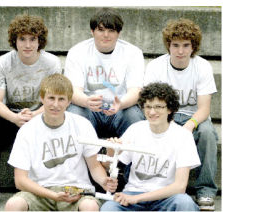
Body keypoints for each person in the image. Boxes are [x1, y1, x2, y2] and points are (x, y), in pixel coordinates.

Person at [0, 14, 62, 209]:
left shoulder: (51, 63)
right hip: (11, 114)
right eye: (22, 39)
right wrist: (15, 118)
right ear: (15, 40)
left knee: (56, 121)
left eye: (33, 39)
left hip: (41, 113)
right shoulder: (4, 62)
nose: (28, 44)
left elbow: (57, 97)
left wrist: (36, 115)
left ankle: (36, 189)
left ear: (40, 41)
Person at [4, 73, 117, 211]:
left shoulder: (82, 124)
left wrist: (104, 181)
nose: (55, 105)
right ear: (42, 98)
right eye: (51, 98)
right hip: (40, 192)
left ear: (69, 101)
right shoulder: (28, 130)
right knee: (13, 204)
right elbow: (20, 181)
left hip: (77, 192)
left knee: (90, 206)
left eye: (61, 99)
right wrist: (52, 195)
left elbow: (94, 167)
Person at [64, 7, 145, 192]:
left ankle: (129, 177)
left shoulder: (132, 53)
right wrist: (86, 101)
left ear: (119, 33)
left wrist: (121, 104)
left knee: (135, 118)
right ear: (92, 31)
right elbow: (72, 91)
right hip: (89, 108)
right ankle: (78, 177)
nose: (106, 35)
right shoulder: (78, 52)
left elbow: (136, 91)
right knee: (74, 114)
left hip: (120, 109)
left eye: (111, 30)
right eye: (101, 30)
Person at [143, 18, 219, 211]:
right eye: (175, 45)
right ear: (168, 45)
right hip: (165, 115)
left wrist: (190, 125)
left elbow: (204, 109)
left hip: (194, 118)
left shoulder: (202, 67)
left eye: (186, 45)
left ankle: (206, 191)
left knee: (208, 134)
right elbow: (151, 103)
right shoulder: (156, 66)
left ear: (193, 46)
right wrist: (167, 124)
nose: (180, 51)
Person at [100, 82, 200, 211]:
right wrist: (111, 151)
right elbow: (109, 167)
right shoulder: (136, 129)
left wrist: (138, 198)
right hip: (133, 193)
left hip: (166, 197)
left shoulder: (183, 136)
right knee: (109, 208)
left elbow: (180, 186)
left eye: (158, 106)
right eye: (148, 106)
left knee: (185, 203)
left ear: (170, 109)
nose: (152, 112)